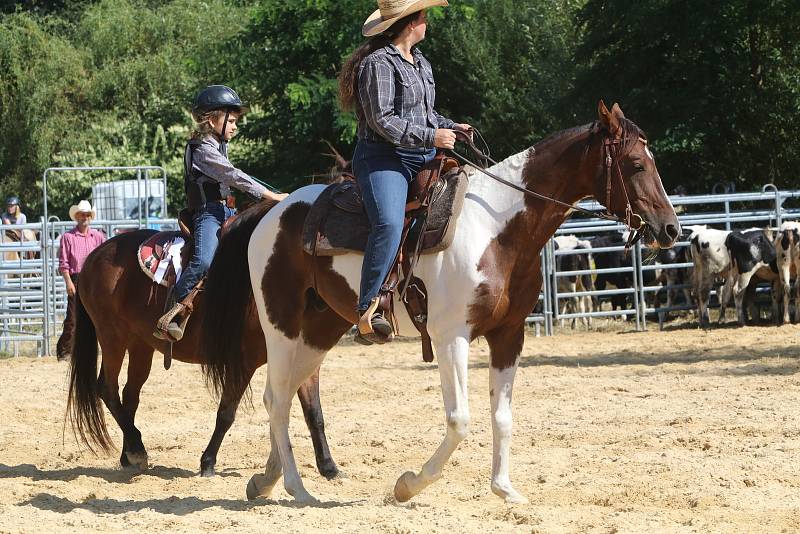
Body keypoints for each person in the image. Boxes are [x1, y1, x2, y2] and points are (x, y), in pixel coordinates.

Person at [338, 0, 471, 344]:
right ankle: (368, 309)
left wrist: (450, 125)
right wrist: (432, 135)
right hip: (382, 157)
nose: (427, 22)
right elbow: (382, 120)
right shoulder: (377, 64)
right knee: (389, 222)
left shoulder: (421, 62)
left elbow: (425, 113)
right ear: (410, 23)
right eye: (424, 16)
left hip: (420, 153)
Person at [155, 85, 287, 341]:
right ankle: (175, 308)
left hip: (227, 210)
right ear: (213, 118)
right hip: (208, 213)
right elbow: (232, 175)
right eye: (232, 121)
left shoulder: (218, 146)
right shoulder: (201, 149)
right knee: (204, 260)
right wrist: (271, 196)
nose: (235, 126)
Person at [56, 200, 106, 361]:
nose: (84, 217)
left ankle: (91, 350)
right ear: (77, 217)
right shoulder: (68, 237)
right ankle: (64, 350)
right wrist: (68, 282)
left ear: (90, 217)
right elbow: (63, 263)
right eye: (82, 214)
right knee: (72, 317)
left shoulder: (99, 237)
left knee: (97, 317)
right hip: (76, 278)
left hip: (95, 280)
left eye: (87, 214)